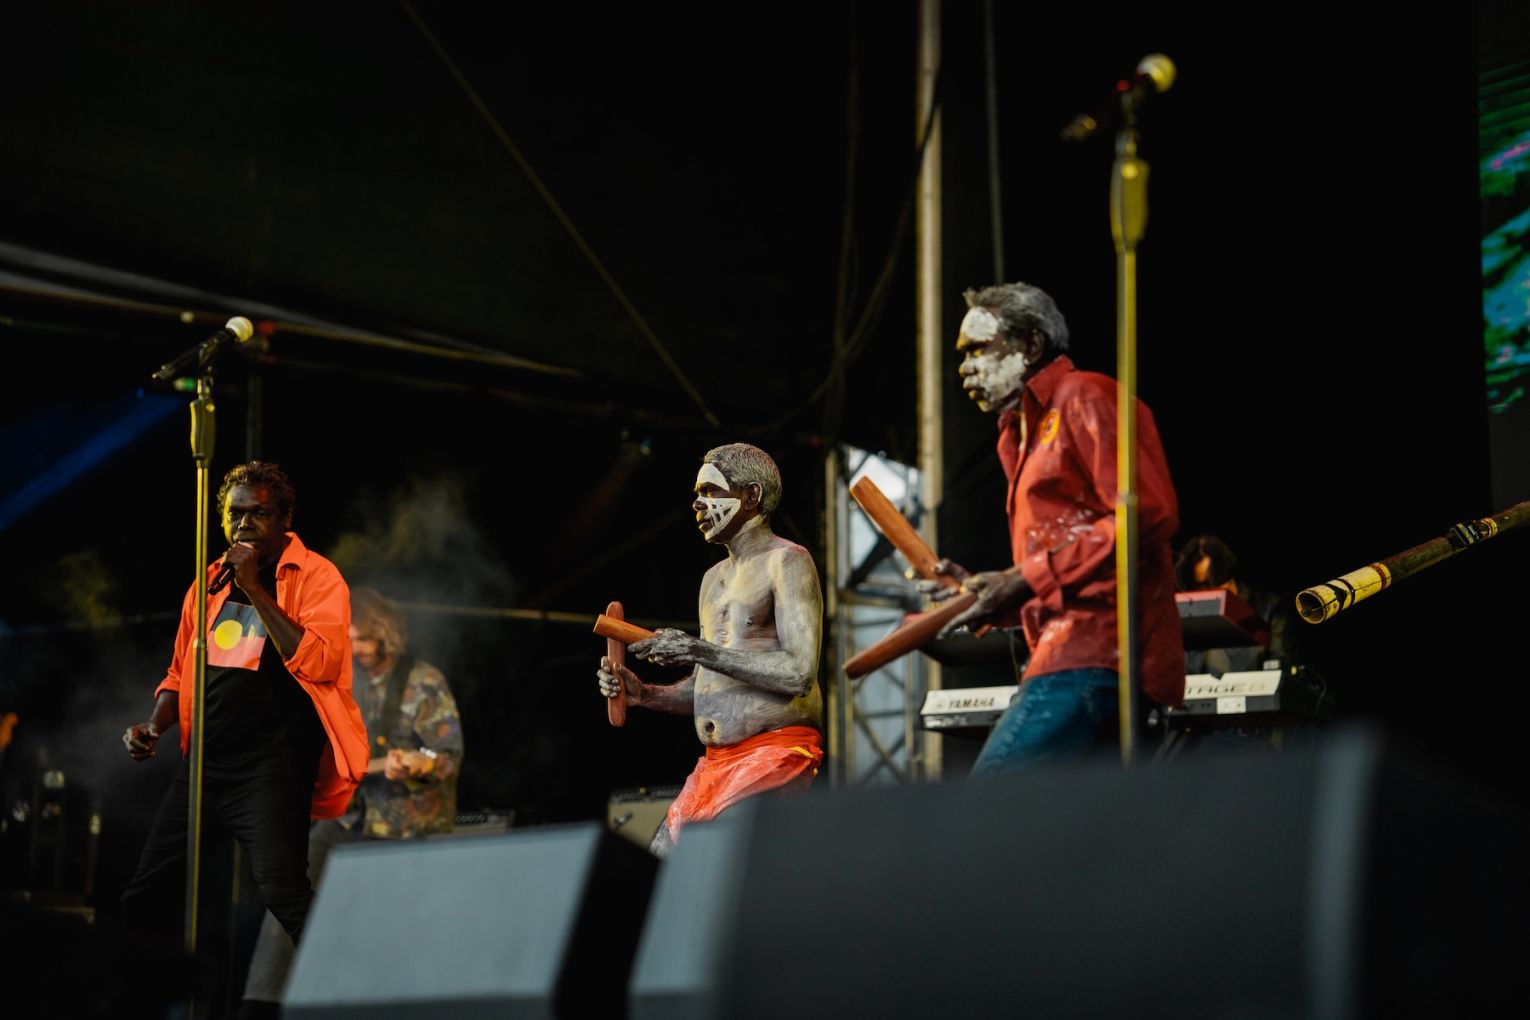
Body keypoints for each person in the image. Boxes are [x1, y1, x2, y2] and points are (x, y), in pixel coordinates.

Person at [930, 282, 1185, 774]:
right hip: (1070, 655)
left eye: (978, 349)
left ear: (1030, 345)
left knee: (990, 809)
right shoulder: (1016, 438)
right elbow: (1061, 570)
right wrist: (994, 595)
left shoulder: (1085, 395)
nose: (964, 366)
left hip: (1098, 653)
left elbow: (1148, 510)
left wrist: (1021, 579)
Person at [118, 461, 368, 959]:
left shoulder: (318, 577)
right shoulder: (207, 582)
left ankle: (356, 984)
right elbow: (177, 673)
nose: (244, 524)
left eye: (259, 514)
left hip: (271, 768)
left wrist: (254, 586)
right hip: (205, 767)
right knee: (142, 897)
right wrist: (155, 724)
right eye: (235, 515)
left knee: (284, 893)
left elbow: (320, 660)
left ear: (285, 518)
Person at [241, 585, 464, 1011]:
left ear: (386, 634)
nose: (356, 648)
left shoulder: (424, 682)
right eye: (350, 639)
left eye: (363, 639)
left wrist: (421, 764)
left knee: (390, 928)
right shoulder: (339, 682)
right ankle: (261, 1003)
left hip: (407, 826)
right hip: (349, 821)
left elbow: (448, 756)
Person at [597, 443, 823, 857]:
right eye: (697, 494)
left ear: (751, 496)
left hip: (772, 754)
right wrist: (645, 694)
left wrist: (698, 650)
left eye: (711, 492)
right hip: (715, 763)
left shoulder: (787, 561)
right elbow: (708, 687)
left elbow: (799, 672)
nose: (698, 505)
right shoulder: (711, 580)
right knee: (663, 864)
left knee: (711, 866)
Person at [1174, 533, 1296, 676]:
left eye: (1211, 583)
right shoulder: (1186, 616)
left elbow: (1281, 670)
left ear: (1227, 576)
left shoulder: (1269, 607)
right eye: (1199, 586)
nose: (1207, 591)